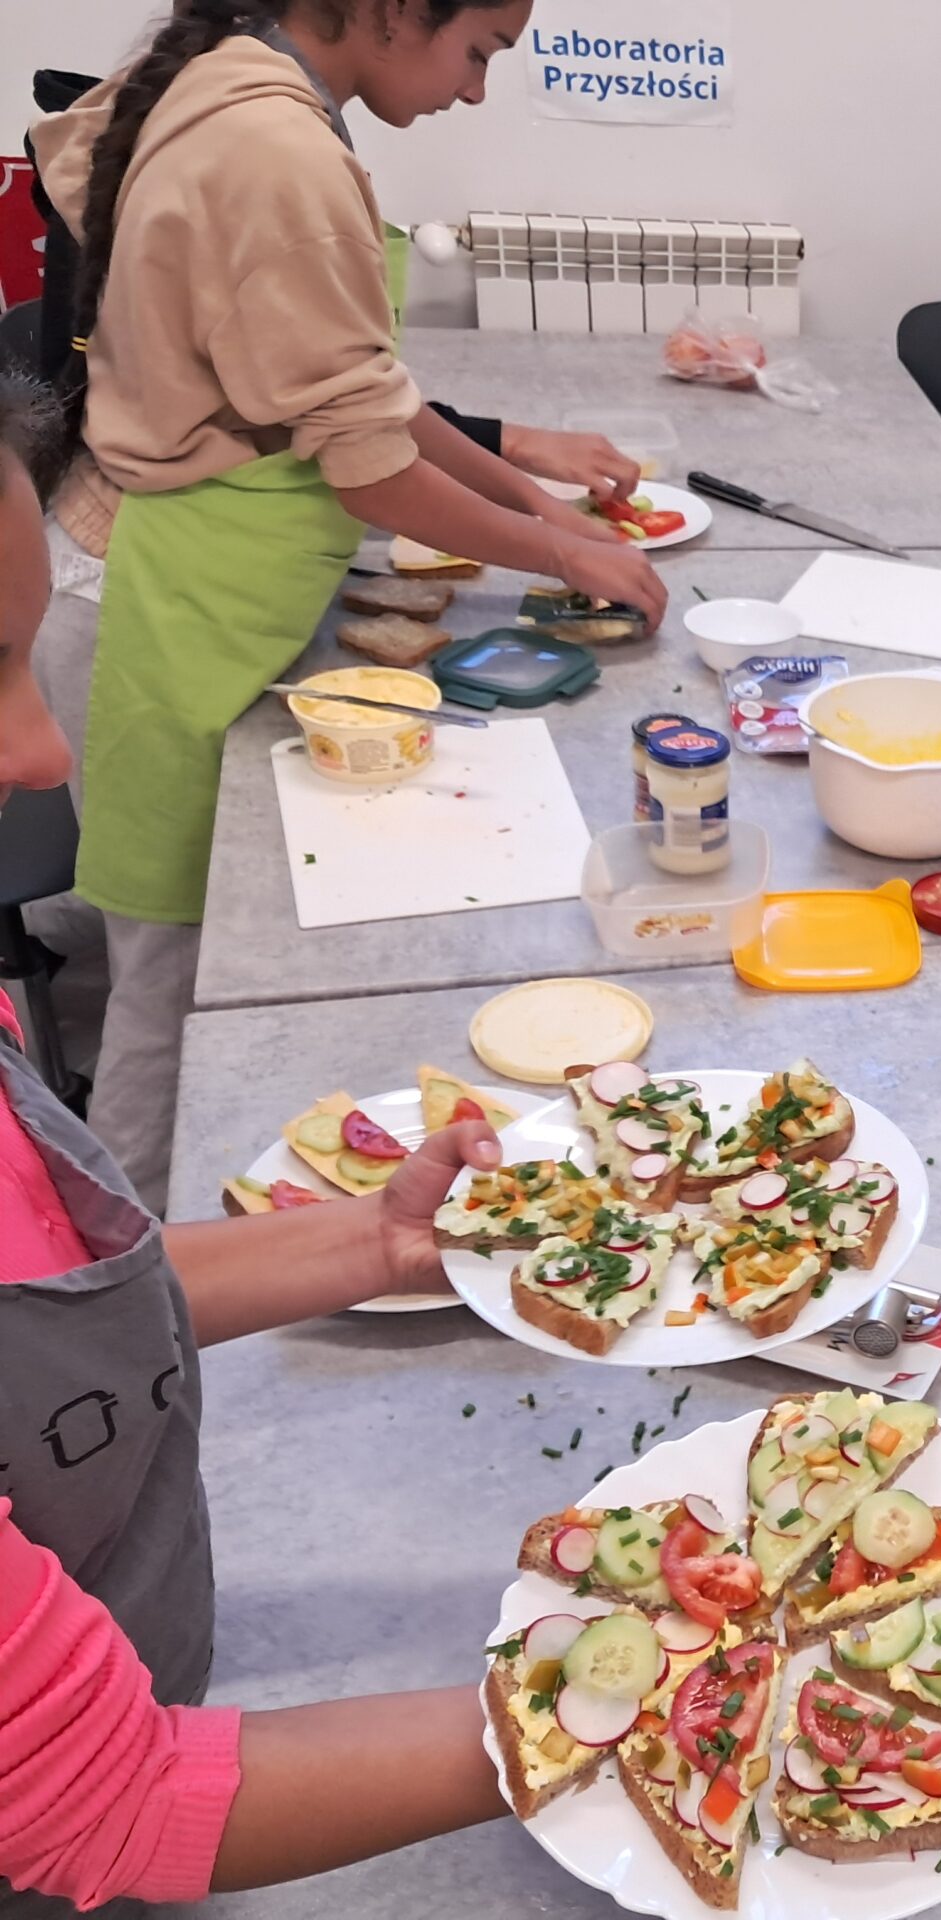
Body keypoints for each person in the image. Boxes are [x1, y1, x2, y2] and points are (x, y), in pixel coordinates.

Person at [0, 380, 518, 1919]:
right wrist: (630, 1699)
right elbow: (114, 1805)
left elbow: (55, 1308)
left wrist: (371, 1244)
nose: (44, 753)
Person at [24, 0, 666, 1212]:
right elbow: (369, 470)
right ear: (393, 11)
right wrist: (555, 552)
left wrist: (533, 501)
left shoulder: (240, 83)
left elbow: (368, 399)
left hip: (166, 578)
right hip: (153, 601)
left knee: (179, 969)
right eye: (479, 51)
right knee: (178, 992)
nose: (476, 90)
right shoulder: (278, 148)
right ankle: (137, 1277)